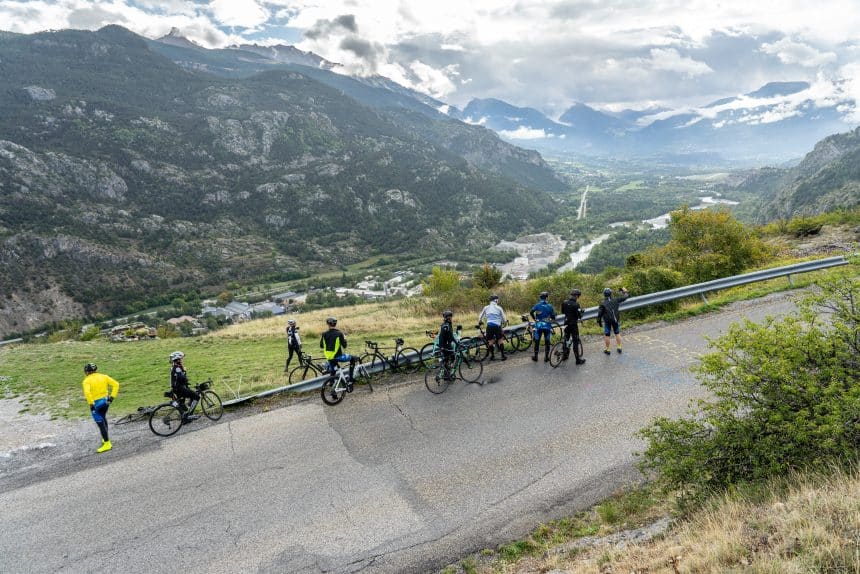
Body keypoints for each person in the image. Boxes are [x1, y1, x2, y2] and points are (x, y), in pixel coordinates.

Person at [81, 363, 119, 453]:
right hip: (106, 401)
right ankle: (105, 437)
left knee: (100, 422)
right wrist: (112, 397)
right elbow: (116, 384)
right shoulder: (104, 376)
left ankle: (107, 443)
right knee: (103, 417)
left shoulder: (86, 381)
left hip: (96, 403)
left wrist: (91, 404)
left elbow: (87, 393)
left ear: (87, 372)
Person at [319, 317, 356, 391]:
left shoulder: (324, 334)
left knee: (333, 371)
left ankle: (332, 385)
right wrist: (345, 339)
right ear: (335, 324)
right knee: (353, 358)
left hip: (329, 357)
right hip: (338, 356)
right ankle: (351, 380)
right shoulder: (339, 333)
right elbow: (344, 346)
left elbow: (321, 346)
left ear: (328, 324)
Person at [597, 287, 629, 355]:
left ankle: (608, 349)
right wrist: (625, 291)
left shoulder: (602, 303)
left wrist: (599, 322)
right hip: (615, 319)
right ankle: (619, 347)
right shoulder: (616, 299)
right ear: (611, 293)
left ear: (604, 294)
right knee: (617, 333)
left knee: (607, 335)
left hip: (607, 321)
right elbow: (625, 297)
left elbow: (599, 314)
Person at [170, 351, 199, 421]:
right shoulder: (177, 368)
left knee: (182, 405)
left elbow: (178, 378)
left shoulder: (175, 366)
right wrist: (184, 371)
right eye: (181, 359)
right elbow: (181, 378)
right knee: (196, 396)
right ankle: (190, 415)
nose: (182, 360)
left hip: (177, 388)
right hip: (179, 388)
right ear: (177, 359)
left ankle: (185, 419)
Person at [478, 294, 508, 361]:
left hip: (489, 326)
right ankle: (503, 356)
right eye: (498, 300)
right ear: (496, 300)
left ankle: (492, 356)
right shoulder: (499, 308)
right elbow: (504, 318)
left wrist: (480, 321)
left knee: (490, 341)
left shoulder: (486, 307)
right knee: (500, 340)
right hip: (497, 326)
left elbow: (480, 316)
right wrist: (505, 322)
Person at [561, 289, 586, 365]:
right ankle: (578, 360)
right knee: (575, 341)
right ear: (576, 296)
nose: (578, 297)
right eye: (578, 296)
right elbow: (579, 316)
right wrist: (581, 312)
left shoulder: (564, 302)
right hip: (573, 325)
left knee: (566, 339)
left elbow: (563, 312)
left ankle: (565, 356)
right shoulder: (576, 304)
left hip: (566, 323)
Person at [530, 291, 556, 362]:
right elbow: (553, 316)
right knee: (547, 341)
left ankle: (536, 357)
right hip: (547, 326)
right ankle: (546, 357)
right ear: (547, 297)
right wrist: (551, 318)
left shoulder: (537, 305)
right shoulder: (550, 306)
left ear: (540, 297)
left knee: (537, 341)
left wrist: (534, 319)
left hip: (538, 326)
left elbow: (531, 312)